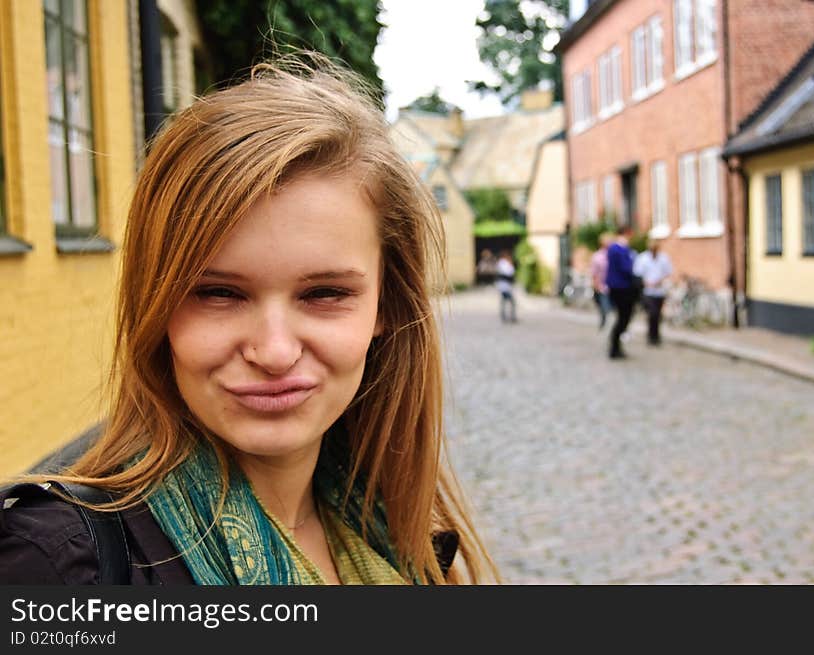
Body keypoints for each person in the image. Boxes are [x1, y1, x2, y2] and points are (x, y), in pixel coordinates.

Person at [0, 56, 496, 585]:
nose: (275, 351)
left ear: (387, 307)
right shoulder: (58, 568)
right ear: (157, 303)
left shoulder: (398, 535)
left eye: (325, 293)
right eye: (218, 293)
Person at [605, 226, 637, 359]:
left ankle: (615, 346)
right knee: (624, 317)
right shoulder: (620, 249)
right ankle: (615, 347)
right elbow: (627, 268)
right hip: (622, 287)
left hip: (616, 287)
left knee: (622, 317)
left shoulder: (613, 248)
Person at [633, 239, 673, 346]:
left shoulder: (663, 258)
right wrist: (646, 283)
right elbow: (638, 274)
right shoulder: (642, 258)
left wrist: (660, 281)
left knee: (658, 314)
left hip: (660, 291)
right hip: (648, 291)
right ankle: (651, 336)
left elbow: (668, 272)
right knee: (652, 313)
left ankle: (656, 335)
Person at [589, 232, 614, 329]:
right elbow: (594, 273)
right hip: (602, 287)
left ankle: (608, 326)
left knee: (611, 309)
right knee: (605, 309)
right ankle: (605, 326)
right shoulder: (597, 256)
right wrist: (596, 286)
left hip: (613, 286)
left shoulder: (613, 255)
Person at [495, 250, 517, 323]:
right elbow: (509, 272)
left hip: (505, 285)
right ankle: (510, 317)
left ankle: (505, 316)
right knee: (511, 301)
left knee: (504, 301)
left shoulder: (503, 263)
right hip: (504, 286)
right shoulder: (503, 263)